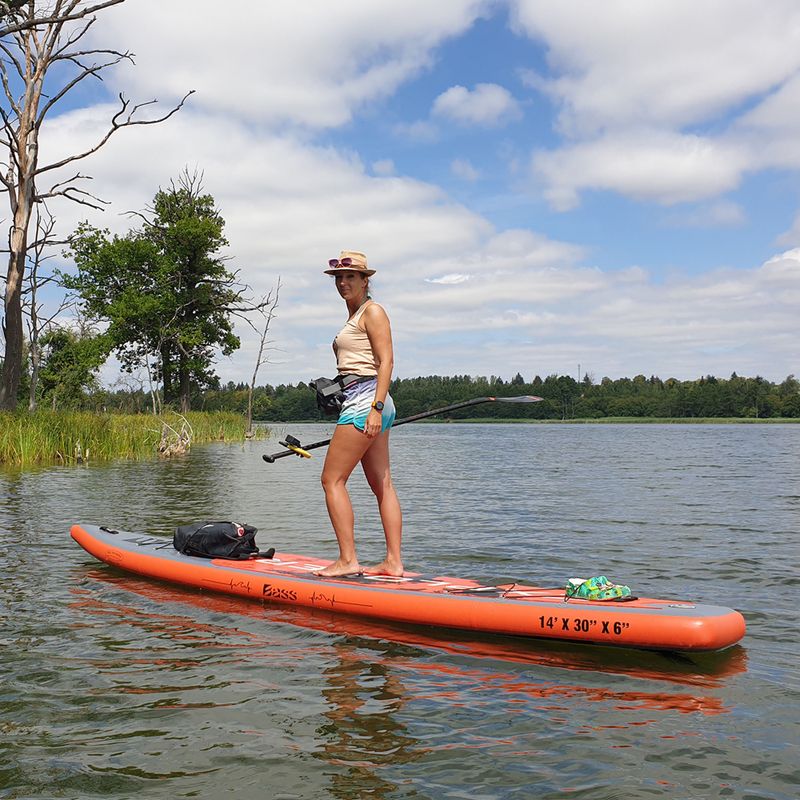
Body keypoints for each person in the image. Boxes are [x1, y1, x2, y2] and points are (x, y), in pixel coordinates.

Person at [315, 250, 403, 578]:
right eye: (339, 277)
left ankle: (347, 560)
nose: (343, 282)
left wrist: (376, 408)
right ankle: (393, 563)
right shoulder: (354, 317)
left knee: (332, 480)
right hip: (364, 398)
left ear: (366, 280)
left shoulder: (373, 312)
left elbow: (386, 362)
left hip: (367, 402)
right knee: (383, 484)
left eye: (351, 276)